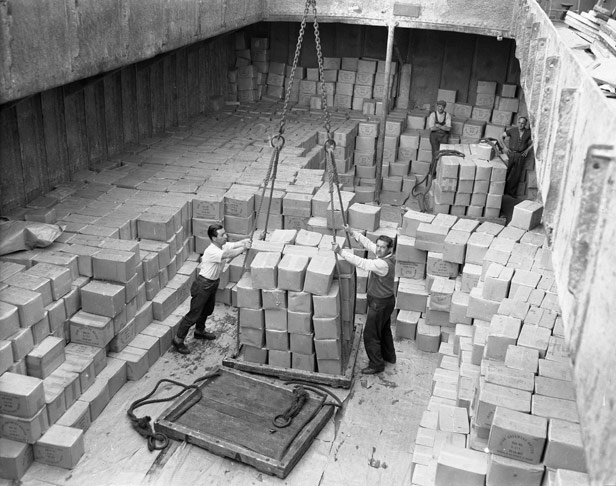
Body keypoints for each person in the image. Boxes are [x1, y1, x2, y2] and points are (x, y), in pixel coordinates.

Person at [172, 224, 250, 354]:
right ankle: (178, 340)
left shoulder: (222, 245)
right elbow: (228, 254)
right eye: (222, 235)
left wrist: (245, 242)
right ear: (214, 238)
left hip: (212, 283)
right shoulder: (212, 251)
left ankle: (199, 331)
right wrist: (243, 248)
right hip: (203, 285)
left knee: (207, 310)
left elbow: (235, 244)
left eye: (225, 233)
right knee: (193, 315)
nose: (225, 236)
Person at [332, 226, 396, 375]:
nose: (378, 250)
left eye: (382, 248)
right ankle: (389, 356)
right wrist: (352, 232)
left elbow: (362, 263)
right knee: (384, 329)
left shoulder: (382, 264)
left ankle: (376, 364)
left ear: (389, 249)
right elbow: (368, 244)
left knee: (371, 334)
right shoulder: (386, 256)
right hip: (385, 301)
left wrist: (341, 252)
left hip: (379, 303)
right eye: (378, 246)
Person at [500, 116, 533, 197]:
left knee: (516, 175)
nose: (520, 124)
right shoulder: (512, 130)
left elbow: (535, 141)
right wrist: (504, 147)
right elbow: (501, 136)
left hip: (520, 155)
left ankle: (511, 193)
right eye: (519, 122)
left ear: (525, 124)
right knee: (506, 172)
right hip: (511, 154)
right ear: (517, 122)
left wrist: (527, 150)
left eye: (522, 123)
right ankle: (500, 190)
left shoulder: (528, 133)